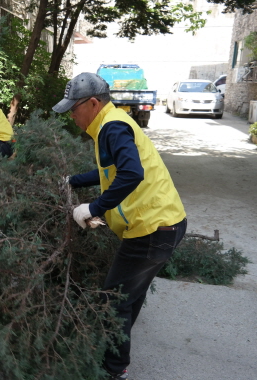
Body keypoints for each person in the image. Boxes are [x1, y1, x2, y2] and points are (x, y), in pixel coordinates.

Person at [52, 72, 187, 380]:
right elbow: (110, 172)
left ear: (94, 103)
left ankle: (113, 370)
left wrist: (94, 207)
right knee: (128, 297)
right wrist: (72, 180)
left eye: (74, 108)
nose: (71, 115)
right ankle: (116, 352)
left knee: (113, 301)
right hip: (164, 227)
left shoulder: (112, 127)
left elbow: (131, 174)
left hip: (152, 231)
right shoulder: (110, 126)